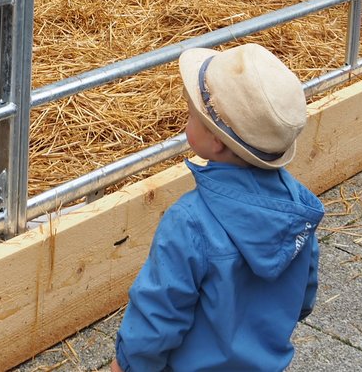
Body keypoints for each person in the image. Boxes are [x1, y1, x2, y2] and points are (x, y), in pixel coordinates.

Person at [110, 44, 323, 372]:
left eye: (193, 115)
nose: (187, 117)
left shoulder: (189, 222)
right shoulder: (297, 209)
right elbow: (304, 294)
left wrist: (128, 363)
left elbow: (159, 312)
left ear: (216, 141)